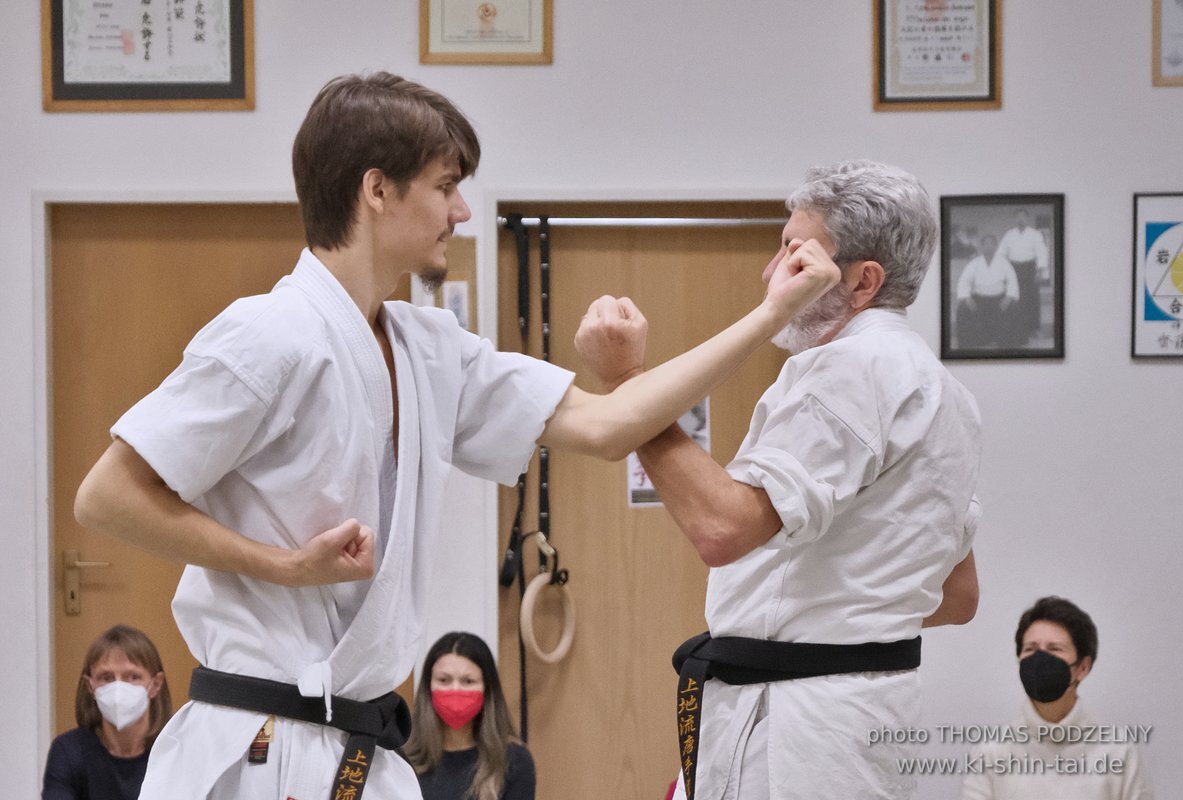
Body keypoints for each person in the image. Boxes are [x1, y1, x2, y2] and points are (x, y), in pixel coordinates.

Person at [71, 72, 841, 799]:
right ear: (377, 188)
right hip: (258, 746)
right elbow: (106, 496)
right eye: (445, 187)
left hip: (357, 742)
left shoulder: (425, 347)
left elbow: (608, 428)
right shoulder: (268, 334)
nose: (461, 211)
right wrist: (281, 566)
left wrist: (772, 315)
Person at [576, 160, 983, 800]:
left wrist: (628, 384)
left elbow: (723, 528)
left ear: (862, 281)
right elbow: (956, 594)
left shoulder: (853, 368)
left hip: (800, 733)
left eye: (795, 256)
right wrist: (839, 625)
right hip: (856, 716)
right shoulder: (945, 393)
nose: (771, 274)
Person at [960, 597, 1155, 800]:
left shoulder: (1119, 753)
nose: (1040, 660)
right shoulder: (991, 753)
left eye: (1055, 649)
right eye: (1030, 649)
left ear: (1083, 667)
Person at [42, 624, 172, 800]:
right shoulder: (69, 751)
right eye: (106, 678)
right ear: (91, 686)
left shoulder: (174, 752)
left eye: (133, 677)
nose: (118, 688)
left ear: (155, 685)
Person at [406, 632, 534, 800]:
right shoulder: (403, 756)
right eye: (444, 680)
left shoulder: (513, 760)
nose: (455, 690)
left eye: (468, 681)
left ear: (487, 690)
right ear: (428, 687)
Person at [955, 234, 1022, 349]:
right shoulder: (974, 263)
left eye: (991, 244)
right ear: (981, 247)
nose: (988, 247)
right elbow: (964, 281)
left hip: (999, 299)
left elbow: (1012, 280)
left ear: (996, 246)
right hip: (979, 299)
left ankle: (1006, 342)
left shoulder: (1004, 262)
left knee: (1013, 307)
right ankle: (972, 341)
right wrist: (967, 298)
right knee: (963, 308)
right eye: (985, 244)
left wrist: (1008, 297)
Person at [995, 208, 1048, 343]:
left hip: (1030, 268)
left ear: (1027, 219)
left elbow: (1041, 252)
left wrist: (1040, 270)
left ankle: (1034, 329)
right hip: (1013, 268)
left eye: (1023, 217)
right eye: (1017, 217)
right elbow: (1001, 253)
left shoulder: (1035, 234)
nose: (1020, 219)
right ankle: (1018, 329)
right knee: (1015, 298)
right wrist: (1001, 270)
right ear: (1014, 219)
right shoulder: (1009, 235)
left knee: (1032, 299)